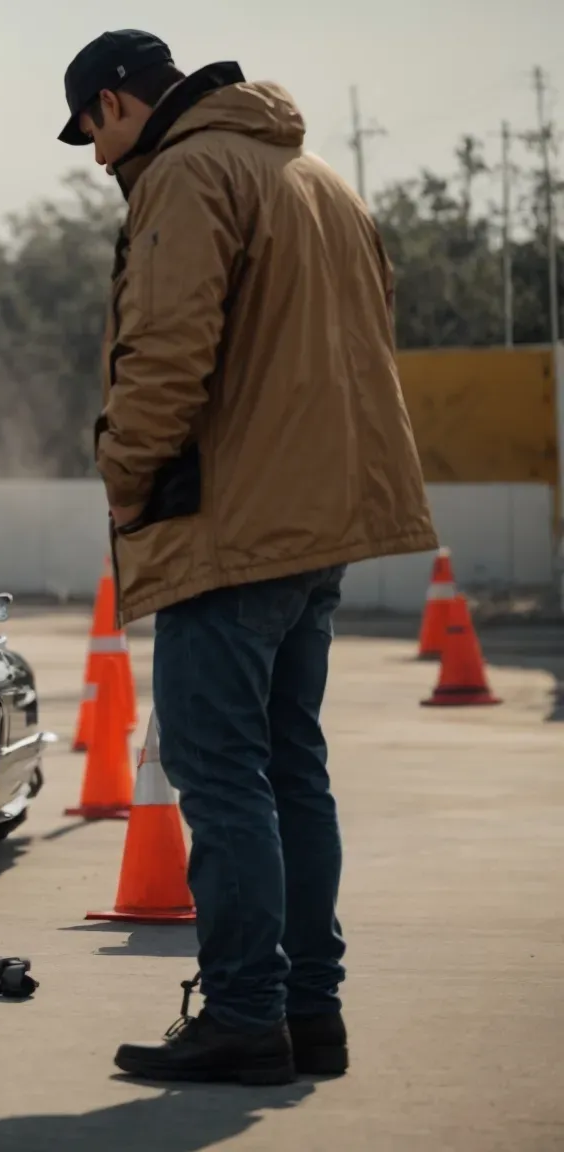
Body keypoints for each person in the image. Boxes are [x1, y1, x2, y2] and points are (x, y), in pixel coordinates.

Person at [55, 31, 437, 1083]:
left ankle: (242, 1017)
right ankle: (310, 1013)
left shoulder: (186, 175)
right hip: (320, 521)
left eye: (90, 132)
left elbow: (166, 350)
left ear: (114, 102)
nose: (96, 160)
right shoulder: (316, 179)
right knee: (290, 770)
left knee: (218, 775)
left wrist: (124, 472)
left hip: (232, 526)